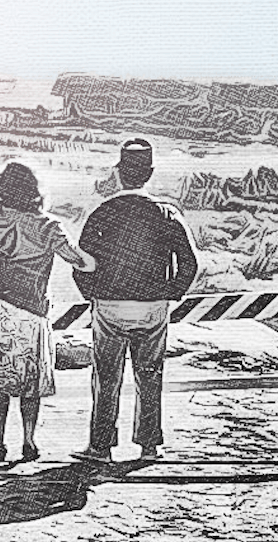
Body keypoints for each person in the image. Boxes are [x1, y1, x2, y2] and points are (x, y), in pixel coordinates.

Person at [0, 162, 97, 463]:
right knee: (29, 381)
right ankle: (29, 442)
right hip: (31, 310)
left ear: (4, 189)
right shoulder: (48, 226)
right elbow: (80, 262)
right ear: (34, 190)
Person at [73, 138, 198, 463]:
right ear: (150, 173)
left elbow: (80, 261)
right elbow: (190, 263)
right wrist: (171, 293)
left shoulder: (102, 213)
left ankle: (100, 448)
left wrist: (92, 294)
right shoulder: (167, 214)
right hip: (153, 307)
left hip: (110, 306)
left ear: (118, 171)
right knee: (150, 375)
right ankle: (149, 446)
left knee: (106, 377)